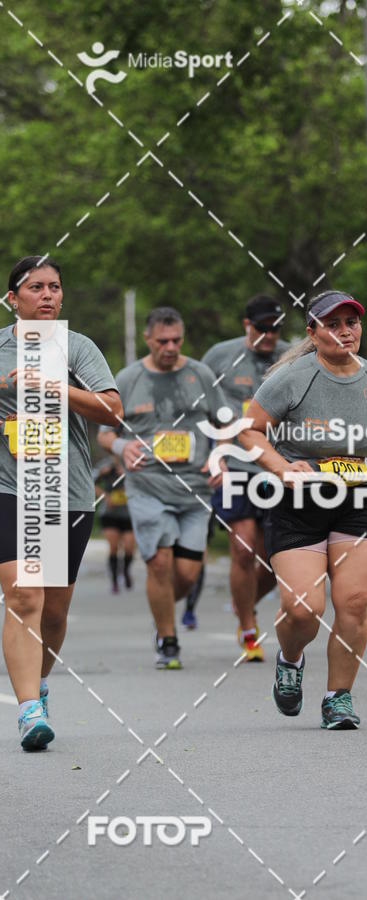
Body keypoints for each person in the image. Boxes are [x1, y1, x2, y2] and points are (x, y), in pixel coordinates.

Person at [240, 290, 367, 729]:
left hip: (358, 501)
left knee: (356, 603)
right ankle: (290, 659)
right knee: (304, 608)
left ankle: (338, 697)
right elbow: (250, 433)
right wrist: (283, 469)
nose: (345, 331)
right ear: (313, 332)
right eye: (333, 324)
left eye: (352, 323)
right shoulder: (292, 377)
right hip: (299, 502)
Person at [0, 256, 122, 750]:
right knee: (23, 595)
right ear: (13, 299)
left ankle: (40, 683)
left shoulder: (78, 348)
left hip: (64, 489)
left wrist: (52, 385)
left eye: (55, 287)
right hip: (9, 487)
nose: (48, 295)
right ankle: (29, 710)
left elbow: (112, 411)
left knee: (52, 608)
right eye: (36, 288)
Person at [98, 307, 226, 670]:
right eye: (163, 341)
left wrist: (220, 457)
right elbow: (106, 433)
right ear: (148, 339)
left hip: (195, 490)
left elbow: (226, 424)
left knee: (186, 574)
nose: (171, 347)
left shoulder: (200, 374)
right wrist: (124, 447)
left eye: (177, 340)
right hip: (147, 486)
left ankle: (163, 611)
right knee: (158, 562)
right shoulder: (127, 378)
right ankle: (168, 640)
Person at [201, 296, 289, 661]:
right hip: (235, 465)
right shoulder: (218, 358)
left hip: (279, 467)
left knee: (274, 558)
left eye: (275, 328)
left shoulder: (293, 356)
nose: (269, 335)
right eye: (261, 328)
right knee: (242, 547)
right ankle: (249, 628)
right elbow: (200, 408)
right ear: (246, 325)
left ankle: (244, 606)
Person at [94, 456, 135, 593]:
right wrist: (105, 496)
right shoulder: (105, 465)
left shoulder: (133, 461)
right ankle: (114, 581)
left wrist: (128, 473)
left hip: (129, 513)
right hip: (109, 513)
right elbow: (88, 481)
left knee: (129, 548)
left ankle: (126, 571)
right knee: (114, 547)